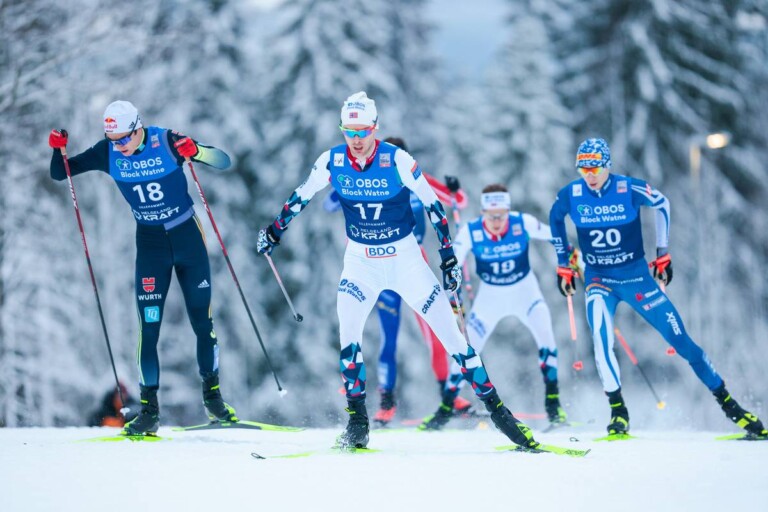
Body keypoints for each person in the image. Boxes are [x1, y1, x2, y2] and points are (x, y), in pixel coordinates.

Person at [257, 91, 540, 450]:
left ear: (375, 128)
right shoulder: (331, 161)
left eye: (363, 131)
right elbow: (302, 195)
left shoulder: (397, 160)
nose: (356, 140)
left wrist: (448, 258)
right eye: (349, 131)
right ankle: (358, 422)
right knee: (348, 335)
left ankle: (502, 417)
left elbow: (434, 205)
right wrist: (274, 231)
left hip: (405, 262)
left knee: (454, 341)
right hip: (361, 262)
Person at [549, 137, 766, 437]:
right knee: (601, 340)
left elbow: (662, 203)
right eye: (584, 168)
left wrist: (662, 253)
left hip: (638, 280)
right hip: (600, 281)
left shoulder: (627, 188)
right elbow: (554, 217)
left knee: (682, 342)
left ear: (607, 165)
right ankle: (618, 412)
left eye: (596, 167)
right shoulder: (572, 194)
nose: (590, 175)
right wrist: (563, 262)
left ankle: (730, 405)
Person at [48, 100, 238, 436]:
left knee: (201, 321)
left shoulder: (165, 141)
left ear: (139, 128)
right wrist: (58, 150)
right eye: (113, 140)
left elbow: (222, 160)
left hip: (187, 238)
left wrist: (196, 150)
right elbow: (60, 172)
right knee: (148, 328)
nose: (118, 147)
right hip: (150, 246)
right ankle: (149, 410)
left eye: (123, 139)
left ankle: (214, 399)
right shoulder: (107, 152)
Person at [322, 136, 472, 426]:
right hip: (374, 263)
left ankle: (448, 396)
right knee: (389, 336)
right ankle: (386, 403)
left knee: (436, 330)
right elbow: (329, 205)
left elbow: (458, 202)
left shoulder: (416, 177)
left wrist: (454, 189)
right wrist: (340, 182)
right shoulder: (364, 178)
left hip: (414, 262)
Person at [421, 183, 573, 430]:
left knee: (547, 339)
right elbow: (453, 257)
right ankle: (446, 407)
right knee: (465, 349)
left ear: (508, 211)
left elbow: (554, 235)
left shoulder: (521, 222)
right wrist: (452, 281)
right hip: (490, 300)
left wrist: (569, 254)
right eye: (491, 216)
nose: (496, 221)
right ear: (483, 213)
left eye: (501, 215)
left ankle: (554, 407)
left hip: (526, 294)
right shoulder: (472, 231)